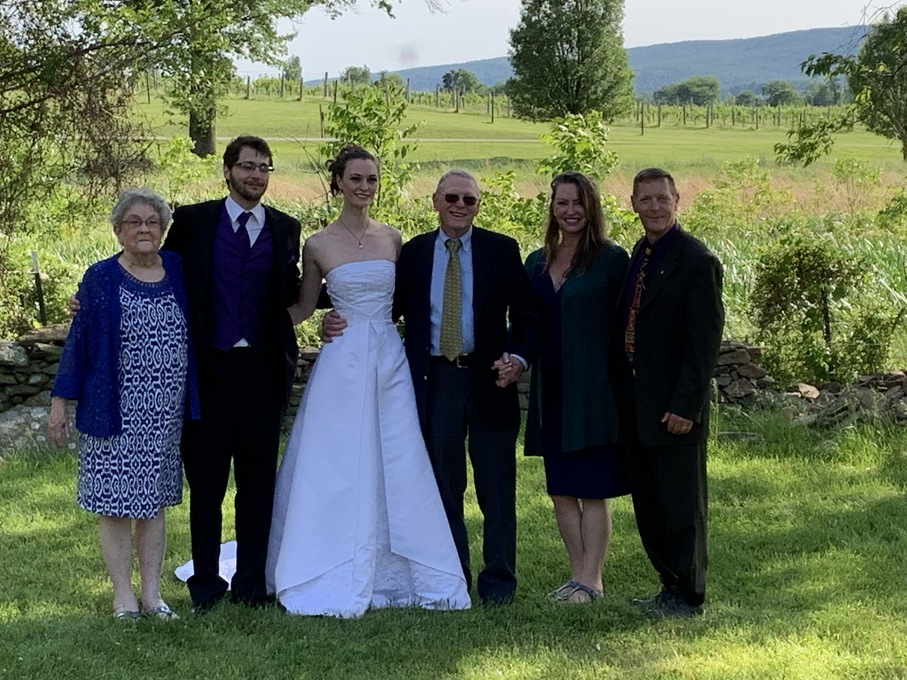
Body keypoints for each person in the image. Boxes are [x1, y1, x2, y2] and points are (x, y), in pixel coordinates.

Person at [266, 144, 470, 618]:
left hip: (388, 360)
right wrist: (274, 322)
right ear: (338, 182)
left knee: (396, 457)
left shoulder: (393, 240)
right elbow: (302, 306)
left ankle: (403, 566)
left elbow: (405, 302)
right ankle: (324, 559)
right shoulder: (317, 244)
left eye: (371, 179)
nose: (364, 187)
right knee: (337, 461)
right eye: (355, 178)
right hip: (342, 362)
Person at [325, 169, 538, 605]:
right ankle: (452, 576)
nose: (461, 206)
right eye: (452, 198)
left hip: (490, 378)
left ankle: (498, 584)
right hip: (435, 379)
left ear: (479, 206)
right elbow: (384, 305)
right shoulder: (416, 253)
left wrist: (517, 359)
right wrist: (332, 314)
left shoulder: (502, 250)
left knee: (496, 487)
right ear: (435, 202)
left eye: (470, 200)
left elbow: (529, 315)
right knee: (443, 485)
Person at [163, 135, 302, 612]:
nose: (256, 176)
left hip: (262, 374)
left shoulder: (286, 228)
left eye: (264, 168)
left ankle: (250, 584)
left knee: (257, 486)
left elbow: (292, 291)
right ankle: (205, 585)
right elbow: (158, 272)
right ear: (227, 171)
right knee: (206, 484)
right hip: (208, 372)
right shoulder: (193, 222)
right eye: (247, 166)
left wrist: (341, 301)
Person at [48, 188, 200, 620]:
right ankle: (123, 597)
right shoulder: (100, 278)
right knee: (114, 505)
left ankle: (152, 595)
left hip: (165, 415)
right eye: (133, 222)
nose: (144, 229)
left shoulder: (178, 269)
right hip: (114, 410)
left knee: (152, 503)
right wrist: (60, 402)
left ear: (164, 229)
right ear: (117, 230)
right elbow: (78, 345)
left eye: (152, 222)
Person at [613, 167, 724, 619]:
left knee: (682, 508)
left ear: (678, 200)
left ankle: (689, 596)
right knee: (650, 505)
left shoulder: (697, 261)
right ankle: (668, 586)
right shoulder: (639, 254)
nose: (654, 207)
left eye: (662, 198)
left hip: (674, 409)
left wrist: (686, 406)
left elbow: (704, 345)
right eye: (645, 199)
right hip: (638, 404)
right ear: (633, 204)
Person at [523, 171, 630, 604]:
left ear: (592, 208)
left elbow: (629, 325)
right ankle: (575, 577)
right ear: (552, 207)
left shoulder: (610, 259)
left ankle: (593, 580)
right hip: (552, 391)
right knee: (561, 489)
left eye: (578, 203)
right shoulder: (536, 261)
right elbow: (526, 323)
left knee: (592, 488)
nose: (570, 211)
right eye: (561, 203)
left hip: (594, 390)